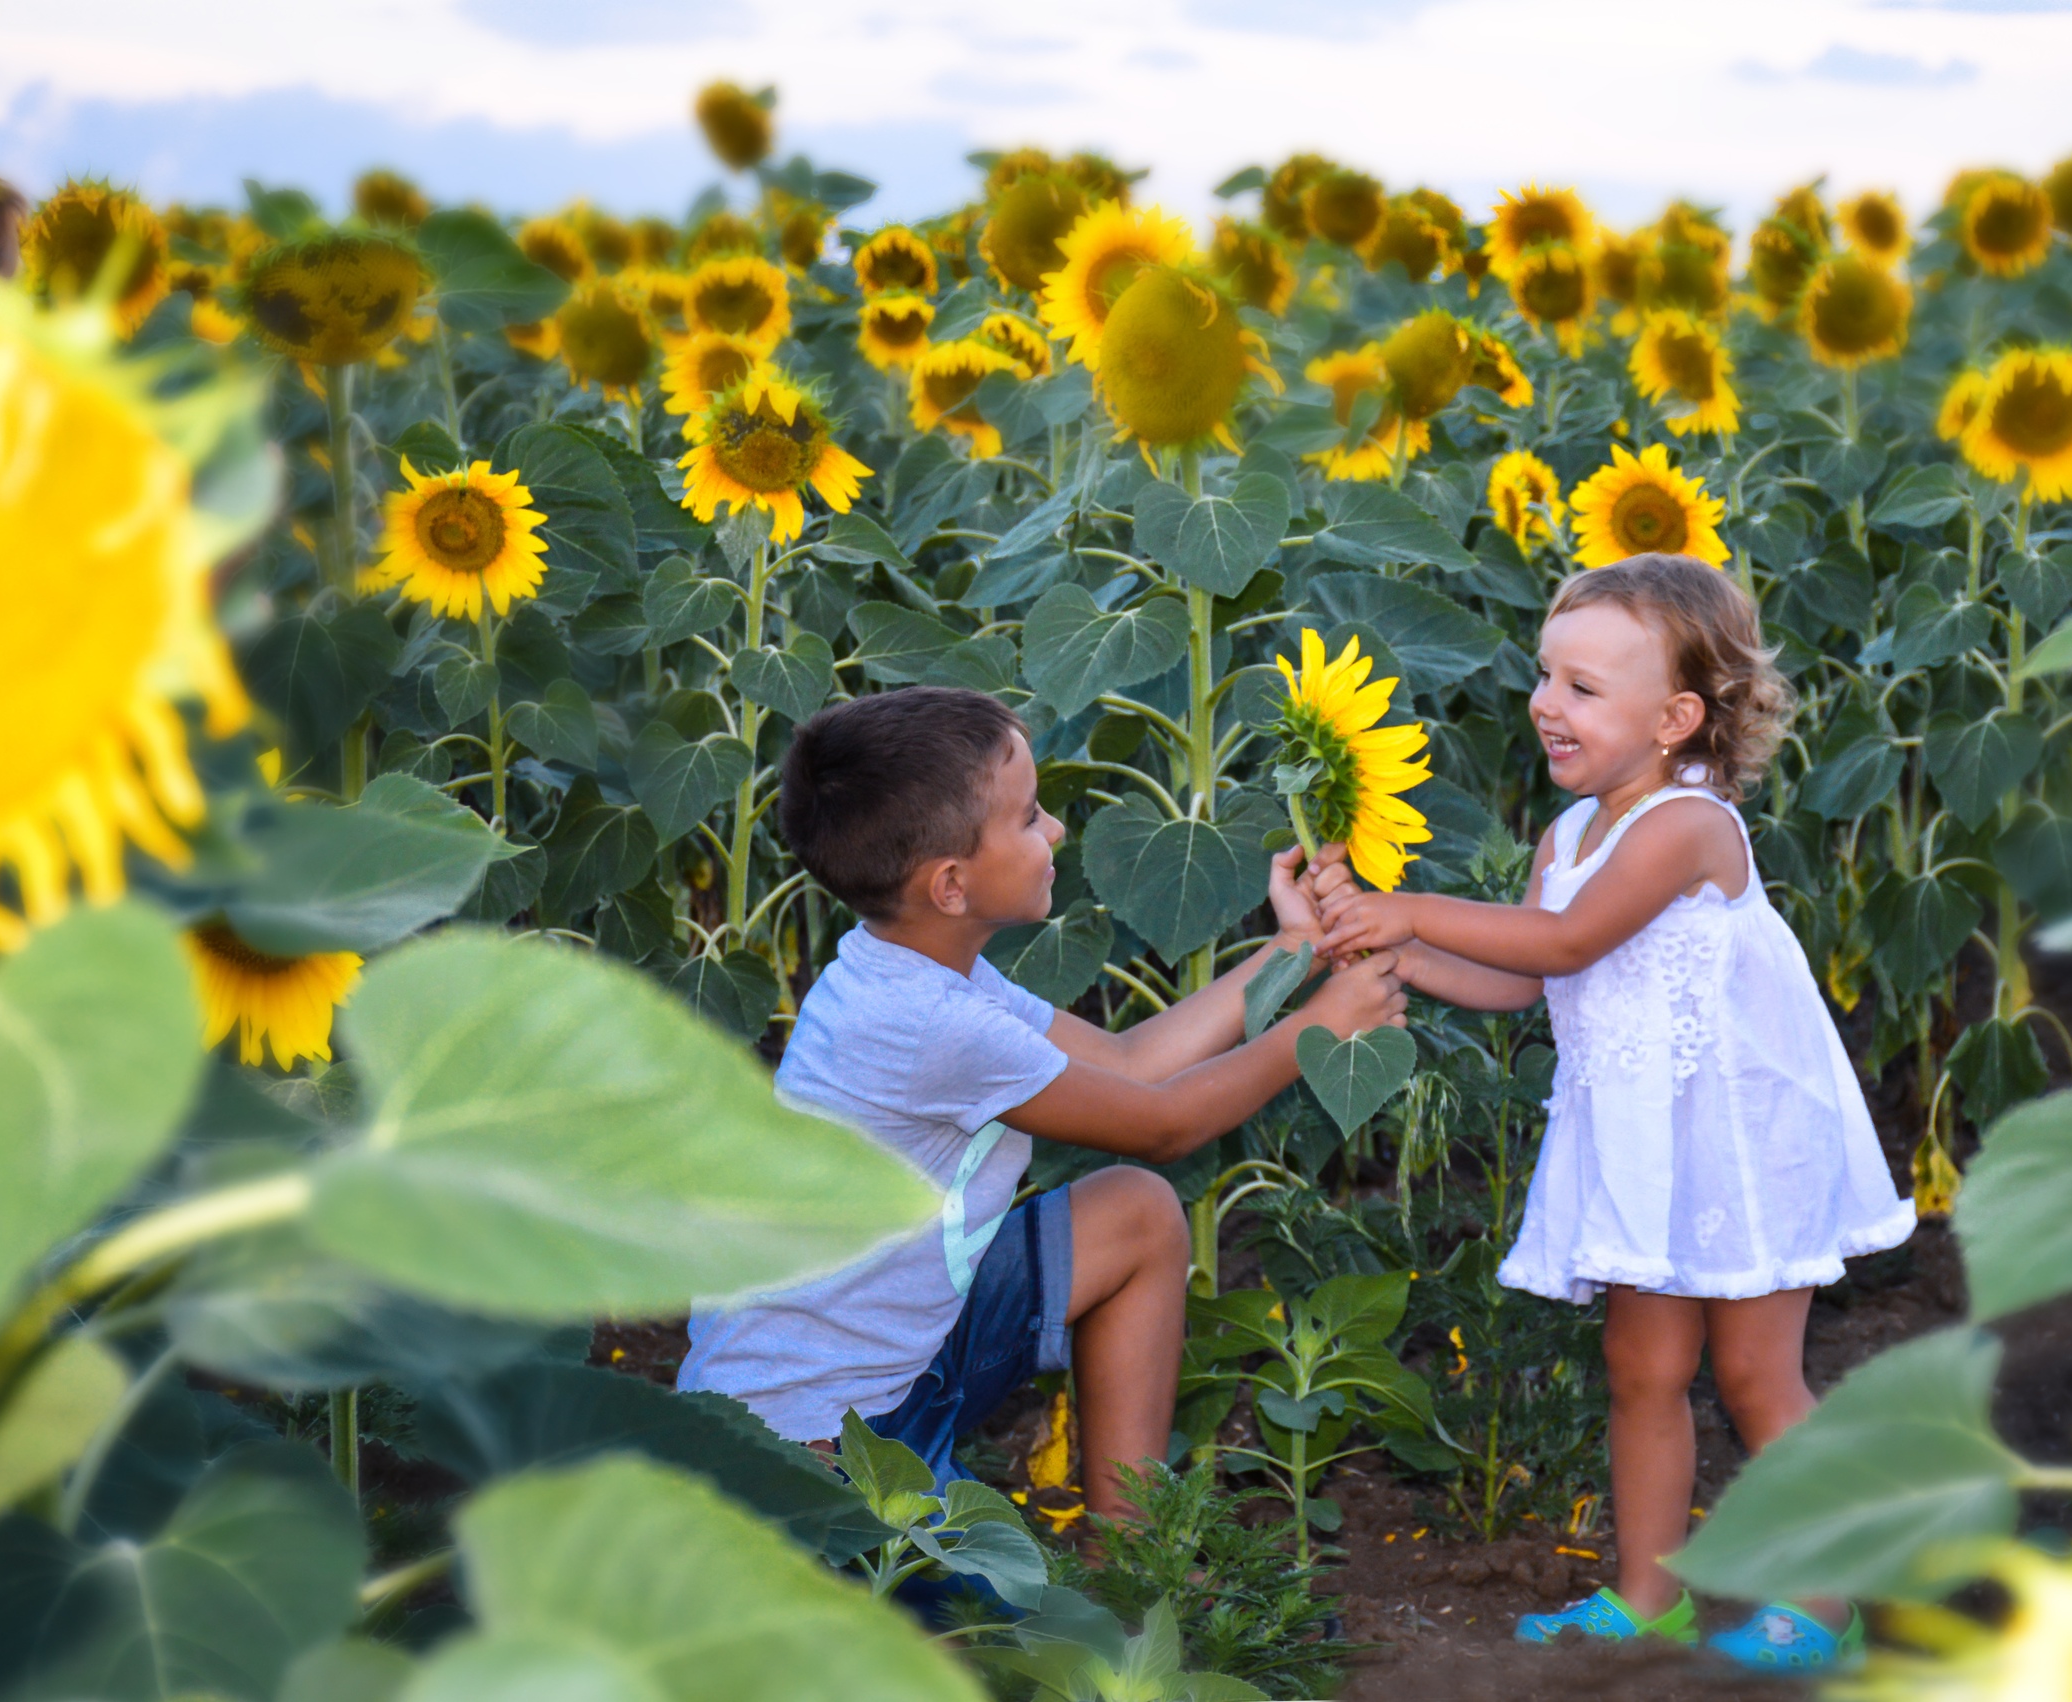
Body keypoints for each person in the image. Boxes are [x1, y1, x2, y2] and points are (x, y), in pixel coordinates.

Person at [1316, 554, 1913, 1672]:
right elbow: (1524, 981)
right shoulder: (1571, 838)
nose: (1546, 703)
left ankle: (1825, 1599)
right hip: (1642, 1146)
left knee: (1753, 1376)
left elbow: (1565, 941)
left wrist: (1403, 904)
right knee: (1640, 1371)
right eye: (1547, 676)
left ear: (1677, 717)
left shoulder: (1688, 828)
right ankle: (1649, 1599)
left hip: (1739, 1142)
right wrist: (1382, 941)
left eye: (1583, 687)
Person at [679, 685, 1405, 1525]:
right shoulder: (926, 1024)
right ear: (952, 885)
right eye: (1028, 819)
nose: (1056, 830)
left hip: (897, 1363)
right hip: (805, 1451)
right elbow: (1165, 1122)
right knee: (985, 1631)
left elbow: (1132, 1062)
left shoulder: (910, 968)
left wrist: (1294, 951)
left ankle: (1130, 1564)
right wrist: (1317, 1028)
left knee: (1135, 1214)